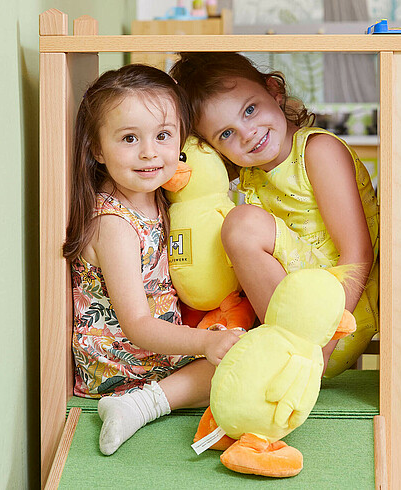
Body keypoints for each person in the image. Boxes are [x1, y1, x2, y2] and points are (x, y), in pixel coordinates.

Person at [62, 65, 240, 456]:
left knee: (246, 351)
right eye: (129, 138)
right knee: (237, 365)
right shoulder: (114, 224)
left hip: (156, 350)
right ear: (96, 149)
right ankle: (141, 406)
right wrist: (204, 343)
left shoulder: (156, 196)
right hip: (120, 366)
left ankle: (153, 397)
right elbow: (138, 325)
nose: (149, 153)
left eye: (163, 136)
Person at [170, 53, 379, 378]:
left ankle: (285, 354)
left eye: (250, 110)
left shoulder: (318, 151)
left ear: (274, 91)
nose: (247, 133)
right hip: (292, 314)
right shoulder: (251, 175)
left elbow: (359, 254)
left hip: (338, 325)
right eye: (226, 134)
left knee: (241, 224)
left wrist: (319, 350)